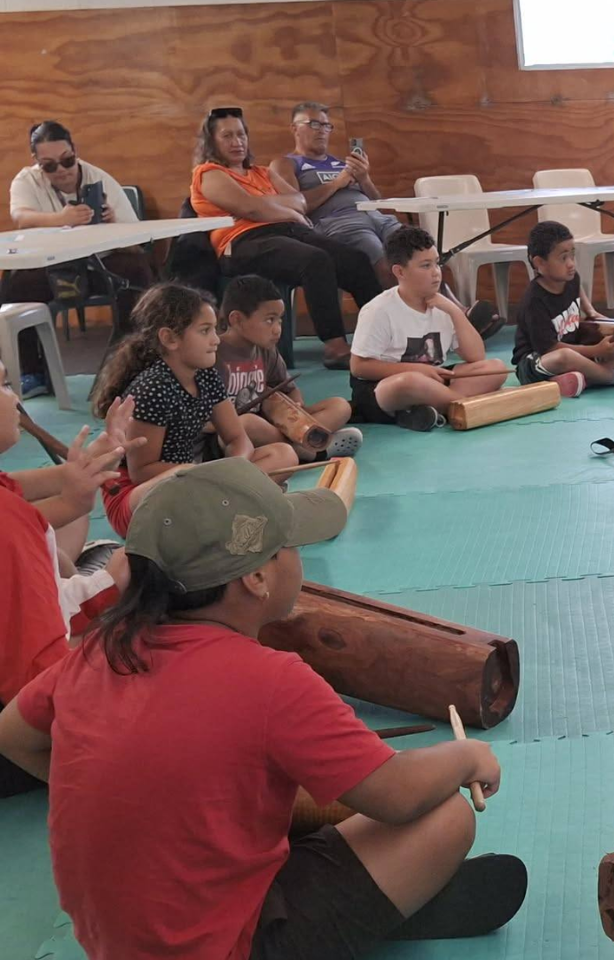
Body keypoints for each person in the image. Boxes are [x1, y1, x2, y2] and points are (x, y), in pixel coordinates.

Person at [0, 457, 528, 958]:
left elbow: (12, 734)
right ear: (255, 578)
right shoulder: (272, 680)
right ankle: (388, 912)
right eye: (290, 546)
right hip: (229, 946)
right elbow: (396, 793)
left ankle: (374, 901)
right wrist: (469, 757)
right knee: (446, 816)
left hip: (110, 940)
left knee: (275, 790)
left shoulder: (99, 650)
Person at [0, 362, 132, 801]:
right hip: (16, 731)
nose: (14, 398)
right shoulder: (8, 527)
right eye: (2, 384)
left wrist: (97, 458)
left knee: (59, 546)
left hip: (28, 644)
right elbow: (40, 678)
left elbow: (47, 506)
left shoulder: (9, 509)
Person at [92, 283, 296, 538]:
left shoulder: (205, 374)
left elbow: (236, 437)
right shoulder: (153, 388)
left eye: (215, 329)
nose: (216, 340)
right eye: (205, 331)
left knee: (283, 453)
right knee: (184, 479)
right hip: (140, 496)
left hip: (195, 477)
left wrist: (236, 468)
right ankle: (243, 501)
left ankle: (233, 502)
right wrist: (208, 475)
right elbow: (141, 471)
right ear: (170, 338)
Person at [190, 106, 382, 370]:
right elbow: (249, 209)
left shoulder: (262, 172)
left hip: (289, 232)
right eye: (227, 136)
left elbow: (300, 201)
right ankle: (335, 346)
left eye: (241, 135)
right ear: (212, 142)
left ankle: (384, 336)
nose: (237, 142)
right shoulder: (209, 173)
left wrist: (273, 206)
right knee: (315, 260)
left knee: (354, 259)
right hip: (243, 241)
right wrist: (283, 209)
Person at [5, 120, 154, 397]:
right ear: (37, 162)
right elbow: (20, 218)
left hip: (99, 263)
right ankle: (33, 371)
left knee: (137, 274)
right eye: (50, 166)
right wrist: (59, 220)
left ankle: (128, 365)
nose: (61, 171)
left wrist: (112, 223)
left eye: (67, 161)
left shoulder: (99, 178)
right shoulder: (27, 180)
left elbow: (138, 241)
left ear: (75, 151)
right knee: (16, 288)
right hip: (51, 265)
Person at [349, 226, 509, 432]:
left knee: (495, 368)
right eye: (425, 266)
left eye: (437, 264)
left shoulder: (442, 306)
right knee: (410, 382)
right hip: (383, 388)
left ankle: (427, 411)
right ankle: (467, 406)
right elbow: (359, 367)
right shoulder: (378, 310)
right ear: (400, 271)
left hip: (433, 382)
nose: (436, 273)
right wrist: (418, 369)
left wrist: (454, 311)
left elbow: (476, 356)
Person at [511, 221, 614, 397]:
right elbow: (550, 348)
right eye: (563, 258)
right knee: (566, 356)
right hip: (537, 363)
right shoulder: (534, 301)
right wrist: (596, 351)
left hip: (576, 350)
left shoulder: (570, 278)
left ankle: (579, 381)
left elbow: (578, 289)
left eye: (573, 255)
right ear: (540, 263)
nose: (571, 263)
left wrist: (591, 312)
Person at [217, 275, 362, 461]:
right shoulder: (212, 352)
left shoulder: (266, 350)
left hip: (269, 426)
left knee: (339, 406)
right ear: (236, 319)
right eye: (269, 320)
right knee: (246, 423)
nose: (278, 329)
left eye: (280, 320)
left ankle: (307, 443)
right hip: (232, 436)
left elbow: (289, 389)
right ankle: (314, 450)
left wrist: (296, 409)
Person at [268, 102, 405, 280]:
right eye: (314, 124)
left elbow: (379, 205)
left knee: (421, 256)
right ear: (295, 128)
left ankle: (444, 307)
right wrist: (335, 184)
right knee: (385, 265)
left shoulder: (341, 163)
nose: (322, 130)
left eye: (326, 126)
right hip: (341, 224)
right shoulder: (286, 164)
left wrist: (364, 179)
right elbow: (294, 206)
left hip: (378, 219)